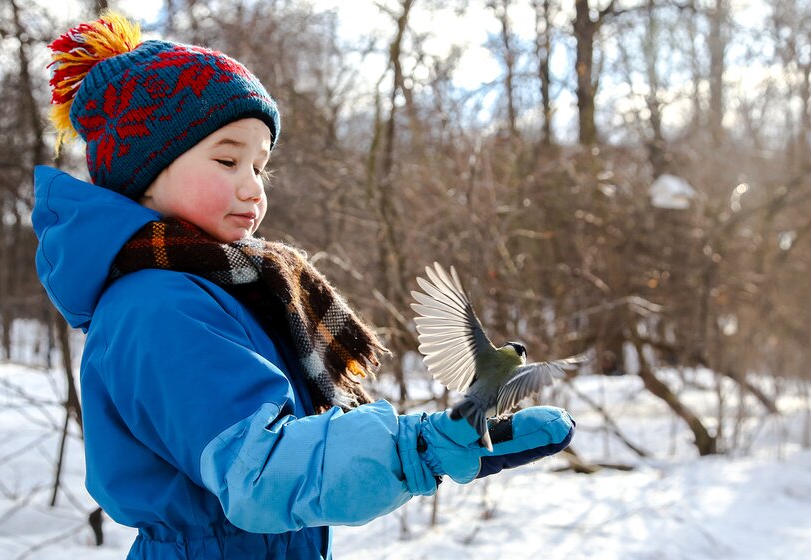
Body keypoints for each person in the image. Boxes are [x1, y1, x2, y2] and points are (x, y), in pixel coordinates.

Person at [32, 12, 575, 560]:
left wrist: (425, 443)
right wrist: (417, 450)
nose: (253, 189)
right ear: (143, 173)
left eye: (260, 168)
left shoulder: (232, 291)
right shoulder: (156, 307)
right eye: (227, 160)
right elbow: (260, 470)